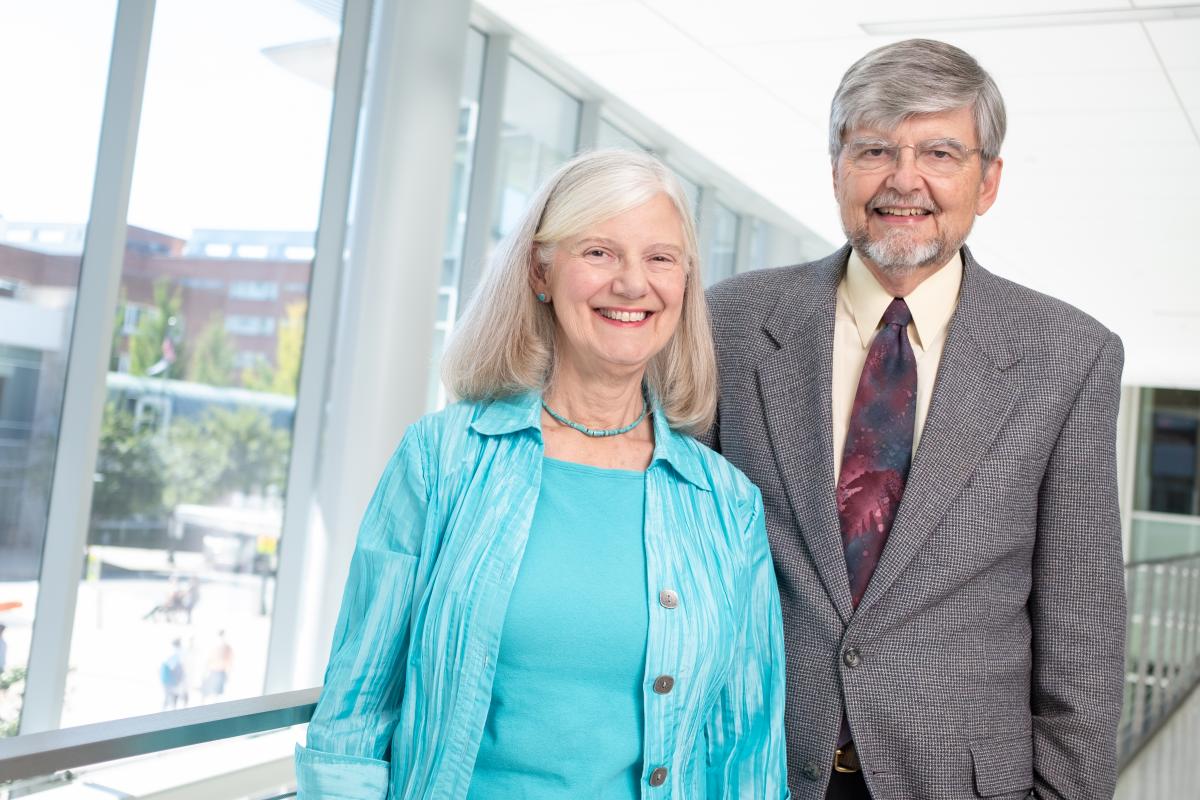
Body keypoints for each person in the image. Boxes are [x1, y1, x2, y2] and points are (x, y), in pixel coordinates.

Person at [295, 149, 789, 799]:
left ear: (684, 285)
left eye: (660, 258)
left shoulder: (724, 503)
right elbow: (356, 712)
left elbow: (744, 751)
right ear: (541, 270)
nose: (633, 283)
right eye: (600, 252)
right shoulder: (442, 460)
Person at [706, 39, 1124, 800]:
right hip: (751, 769)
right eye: (874, 149)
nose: (905, 181)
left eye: (939, 151)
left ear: (988, 180)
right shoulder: (730, 323)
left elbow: (1083, 632)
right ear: (836, 165)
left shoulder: (1069, 355)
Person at [201, 630, 233, 701]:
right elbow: (208, 660)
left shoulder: (227, 648)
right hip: (213, 671)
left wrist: (228, 674)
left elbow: (230, 662)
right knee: (208, 693)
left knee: (215, 695)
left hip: (220, 672)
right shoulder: (214, 646)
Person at [160, 638, 187, 710]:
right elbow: (174, 668)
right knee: (171, 696)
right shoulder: (176, 654)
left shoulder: (172, 652)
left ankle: (165, 709)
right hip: (170, 679)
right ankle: (168, 709)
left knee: (168, 695)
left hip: (167, 678)